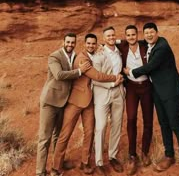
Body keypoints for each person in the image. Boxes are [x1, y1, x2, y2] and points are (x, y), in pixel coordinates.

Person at [124, 23, 179, 176]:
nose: (149, 35)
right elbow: (132, 41)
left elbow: (150, 66)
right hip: (157, 90)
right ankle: (169, 156)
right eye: (146, 32)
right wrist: (115, 41)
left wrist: (131, 71)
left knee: (176, 124)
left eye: (152, 32)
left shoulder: (162, 46)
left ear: (157, 32)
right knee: (163, 123)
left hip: (170, 91)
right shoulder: (147, 43)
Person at [51, 33, 123, 176]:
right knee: (65, 134)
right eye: (88, 43)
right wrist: (115, 77)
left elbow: (114, 43)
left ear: (96, 44)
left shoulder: (97, 52)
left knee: (89, 133)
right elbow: (96, 76)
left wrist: (104, 45)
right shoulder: (82, 59)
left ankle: (85, 163)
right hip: (76, 101)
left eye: (93, 43)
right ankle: (56, 167)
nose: (91, 45)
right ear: (84, 44)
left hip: (90, 101)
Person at [36, 32, 90, 176]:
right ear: (63, 42)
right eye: (68, 42)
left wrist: (101, 47)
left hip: (63, 102)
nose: (70, 45)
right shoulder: (55, 56)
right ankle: (40, 171)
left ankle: (58, 163)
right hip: (50, 101)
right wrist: (79, 71)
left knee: (58, 135)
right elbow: (59, 75)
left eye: (72, 42)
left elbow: (89, 51)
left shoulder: (74, 56)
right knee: (44, 138)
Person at [117, 25, 153, 175]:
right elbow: (110, 42)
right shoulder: (123, 46)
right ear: (125, 36)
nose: (131, 37)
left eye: (133, 35)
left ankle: (144, 152)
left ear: (137, 35)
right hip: (131, 88)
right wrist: (100, 46)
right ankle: (132, 155)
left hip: (146, 88)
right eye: (128, 35)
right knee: (131, 118)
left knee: (148, 120)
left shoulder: (145, 45)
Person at [92, 26, 125, 176]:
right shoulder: (98, 55)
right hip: (102, 93)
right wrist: (112, 83)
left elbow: (123, 40)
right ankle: (99, 162)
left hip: (118, 93)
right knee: (101, 126)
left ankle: (112, 156)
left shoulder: (119, 50)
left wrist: (118, 86)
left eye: (113, 35)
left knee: (117, 124)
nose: (111, 38)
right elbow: (95, 78)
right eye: (108, 36)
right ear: (103, 38)